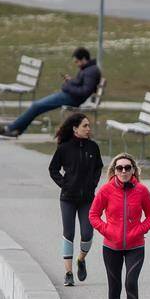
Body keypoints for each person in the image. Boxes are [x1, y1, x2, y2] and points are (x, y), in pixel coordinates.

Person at [89, 153, 150, 299]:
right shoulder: (106, 190)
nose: (124, 171)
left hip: (135, 245)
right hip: (111, 246)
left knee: (130, 282)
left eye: (128, 168)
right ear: (114, 171)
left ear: (134, 170)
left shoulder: (142, 190)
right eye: (120, 168)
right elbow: (93, 215)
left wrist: (139, 230)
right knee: (114, 286)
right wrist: (107, 230)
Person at [0, 48, 102, 138]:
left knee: (36, 106)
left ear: (83, 59)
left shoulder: (91, 71)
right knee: (36, 106)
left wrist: (67, 86)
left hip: (72, 98)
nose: (77, 64)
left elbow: (84, 92)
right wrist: (71, 81)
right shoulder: (88, 69)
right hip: (69, 96)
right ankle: (14, 130)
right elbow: (81, 85)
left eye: (77, 61)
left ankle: (11, 129)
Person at [48, 112, 103, 288]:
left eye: (89, 126)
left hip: (87, 198)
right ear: (75, 128)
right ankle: (68, 273)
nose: (88, 129)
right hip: (68, 198)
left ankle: (81, 259)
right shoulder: (64, 148)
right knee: (69, 233)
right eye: (85, 126)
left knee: (87, 233)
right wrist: (64, 184)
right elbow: (53, 169)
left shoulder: (93, 148)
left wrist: (93, 185)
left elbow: (98, 168)